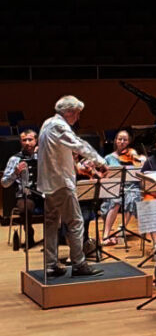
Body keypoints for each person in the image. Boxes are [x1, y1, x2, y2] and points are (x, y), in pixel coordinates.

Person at [38, 96, 107, 278]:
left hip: (48, 183)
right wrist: (100, 161)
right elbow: (78, 144)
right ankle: (79, 264)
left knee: (52, 224)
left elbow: (61, 152)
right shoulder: (58, 126)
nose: (77, 118)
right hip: (60, 183)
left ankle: (51, 265)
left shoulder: (47, 123)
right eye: (77, 114)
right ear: (69, 112)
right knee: (75, 222)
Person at [99, 130, 143, 245]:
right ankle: (106, 234)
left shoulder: (133, 156)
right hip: (115, 186)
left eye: (125, 139)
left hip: (131, 186)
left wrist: (142, 160)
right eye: (120, 139)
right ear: (115, 141)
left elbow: (140, 170)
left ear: (129, 142)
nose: (122, 142)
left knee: (133, 196)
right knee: (116, 200)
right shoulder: (108, 158)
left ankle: (121, 228)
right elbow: (104, 175)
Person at [3, 129, 42, 246]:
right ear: (20, 142)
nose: (27, 143)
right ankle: (29, 234)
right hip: (26, 195)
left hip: (43, 193)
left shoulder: (43, 156)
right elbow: (4, 183)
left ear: (36, 141)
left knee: (59, 204)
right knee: (25, 208)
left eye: (30, 139)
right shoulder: (15, 159)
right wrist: (15, 173)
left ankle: (55, 237)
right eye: (24, 140)